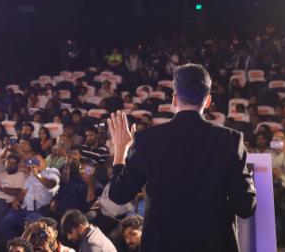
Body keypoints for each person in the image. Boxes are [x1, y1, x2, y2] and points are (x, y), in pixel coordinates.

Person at [107, 63, 256, 252]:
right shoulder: (231, 140)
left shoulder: (147, 139)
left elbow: (118, 194)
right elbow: (245, 207)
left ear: (174, 99)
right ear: (208, 101)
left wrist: (121, 149)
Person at [0, 151, 60, 240]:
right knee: (3, 224)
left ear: (45, 161)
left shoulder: (52, 171)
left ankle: (23, 245)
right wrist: (17, 200)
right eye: (33, 161)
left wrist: (37, 175)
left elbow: (51, 184)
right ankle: (15, 244)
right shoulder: (31, 176)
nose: (35, 163)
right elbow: (23, 192)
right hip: (23, 208)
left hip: (38, 211)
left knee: (31, 231)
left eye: (37, 160)